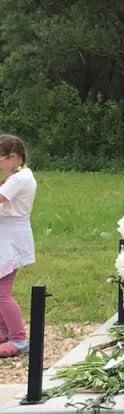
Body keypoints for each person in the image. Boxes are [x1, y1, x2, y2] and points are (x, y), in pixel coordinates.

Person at [0, 136, 37, 358]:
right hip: (7, 235)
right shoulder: (19, 176)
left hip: (11, 239)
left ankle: (18, 338)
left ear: (13, 157)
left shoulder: (18, 180)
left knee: (2, 293)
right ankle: (4, 329)